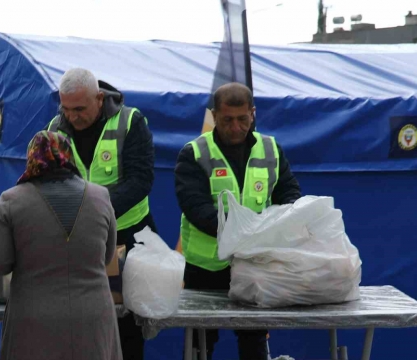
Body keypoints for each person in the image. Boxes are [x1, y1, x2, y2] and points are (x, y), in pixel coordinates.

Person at [175, 82, 302, 360]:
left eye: (242, 119)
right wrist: (244, 233)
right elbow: (195, 207)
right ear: (214, 115)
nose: (235, 127)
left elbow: (289, 192)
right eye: (227, 120)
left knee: (254, 340)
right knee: (200, 345)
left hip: (255, 265)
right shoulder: (194, 153)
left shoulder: (271, 149)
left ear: (253, 113)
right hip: (206, 268)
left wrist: (285, 219)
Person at [0, 131, 122, 360]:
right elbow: (106, 256)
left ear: (32, 158)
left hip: (34, 322)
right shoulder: (100, 196)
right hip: (93, 318)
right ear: (70, 156)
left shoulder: (12, 200)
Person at [46, 68, 154, 359]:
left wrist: (96, 211)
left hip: (128, 237)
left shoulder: (131, 121)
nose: (72, 116)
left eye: (80, 109)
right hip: (80, 239)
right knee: (82, 320)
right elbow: (48, 182)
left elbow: (140, 180)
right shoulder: (55, 129)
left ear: (99, 97)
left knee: (127, 322)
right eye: (66, 109)